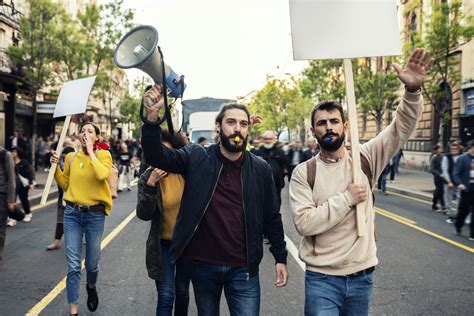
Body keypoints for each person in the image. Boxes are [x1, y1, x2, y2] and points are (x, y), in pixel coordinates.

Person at [289, 48, 431, 315]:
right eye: (321, 123)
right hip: (322, 280)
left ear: (345, 126)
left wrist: (412, 93)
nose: (328, 127)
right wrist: (348, 199)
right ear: (313, 131)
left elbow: (400, 128)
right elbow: (305, 223)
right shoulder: (303, 173)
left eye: (334, 121)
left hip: (362, 276)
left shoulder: (365, 158)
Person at [141, 87, 288, 315]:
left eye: (243, 124)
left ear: (249, 130)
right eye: (231, 122)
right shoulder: (197, 156)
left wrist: (280, 257)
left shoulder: (260, 168)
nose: (237, 128)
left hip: (244, 269)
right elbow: (157, 156)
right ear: (219, 127)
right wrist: (151, 119)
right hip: (203, 266)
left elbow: (271, 216)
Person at [50, 122, 113, 316]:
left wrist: (91, 152)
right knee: (74, 264)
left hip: (94, 215)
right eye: (83, 130)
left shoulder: (104, 155)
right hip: (72, 214)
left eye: (90, 131)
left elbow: (102, 174)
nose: (85, 133)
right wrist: (56, 168)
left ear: (97, 137)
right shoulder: (71, 157)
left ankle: (91, 286)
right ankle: (74, 311)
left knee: (92, 263)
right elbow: (66, 185)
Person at [137, 129, 191, 316]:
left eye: (167, 154)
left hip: (187, 244)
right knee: (167, 295)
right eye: (159, 154)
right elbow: (144, 214)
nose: (163, 159)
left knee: (182, 292)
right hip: (163, 245)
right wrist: (151, 185)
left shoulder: (187, 172)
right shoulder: (148, 177)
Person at [46, 146, 76, 251]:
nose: (65, 160)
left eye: (67, 158)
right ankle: (56, 241)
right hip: (62, 199)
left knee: (79, 222)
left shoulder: (78, 168)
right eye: (63, 158)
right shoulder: (61, 167)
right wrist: (55, 164)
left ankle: (82, 238)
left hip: (75, 200)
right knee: (60, 221)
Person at [254, 131, 289, 209]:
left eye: (270, 139)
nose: (268, 140)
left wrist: (282, 176)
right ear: (263, 139)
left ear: (274, 140)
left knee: (275, 206)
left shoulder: (280, 152)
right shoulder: (257, 152)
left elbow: (286, 165)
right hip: (260, 185)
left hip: (276, 184)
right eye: (266, 138)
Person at [452, 140, 474, 241]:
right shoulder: (462, 159)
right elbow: (455, 173)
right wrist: (460, 184)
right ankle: (458, 226)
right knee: (463, 211)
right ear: (471, 148)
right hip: (466, 189)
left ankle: (472, 234)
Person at [0, 147, 16, 262]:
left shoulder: (6, 155)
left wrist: (10, 200)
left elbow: (11, 179)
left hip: (2, 195)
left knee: (0, 228)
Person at [11, 147, 35, 223]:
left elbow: (29, 173)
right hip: (13, 185)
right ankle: (13, 217)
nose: (13, 153)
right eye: (12, 152)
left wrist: (31, 183)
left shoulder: (24, 162)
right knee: (12, 201)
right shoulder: (10, 161)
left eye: (14, 152)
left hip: (22, 185)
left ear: (18, 153)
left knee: (24, 199)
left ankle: (28, 214)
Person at [442, 142, 461, 221]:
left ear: (458, 150)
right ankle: (450, 214)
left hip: (459, 182)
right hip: (449, 181)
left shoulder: (461, 157)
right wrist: (449, 181)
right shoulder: (446, 157)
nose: (453, 150)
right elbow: (445, 170)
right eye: (452, 149)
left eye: (455, 149)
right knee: (448, 199)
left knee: (459, 198)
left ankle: (457, 214)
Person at [430, 144, 446, 211]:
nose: (441, 150)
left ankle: (435, 204)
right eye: (439, 149)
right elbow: (432, 169)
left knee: (440, 191)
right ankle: (442, 206)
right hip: (437, 177)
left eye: (441, 149)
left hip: (443, 177)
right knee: (439, 191)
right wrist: (439, 174)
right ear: (436, 150)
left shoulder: (443, 157)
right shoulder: (434, 157)